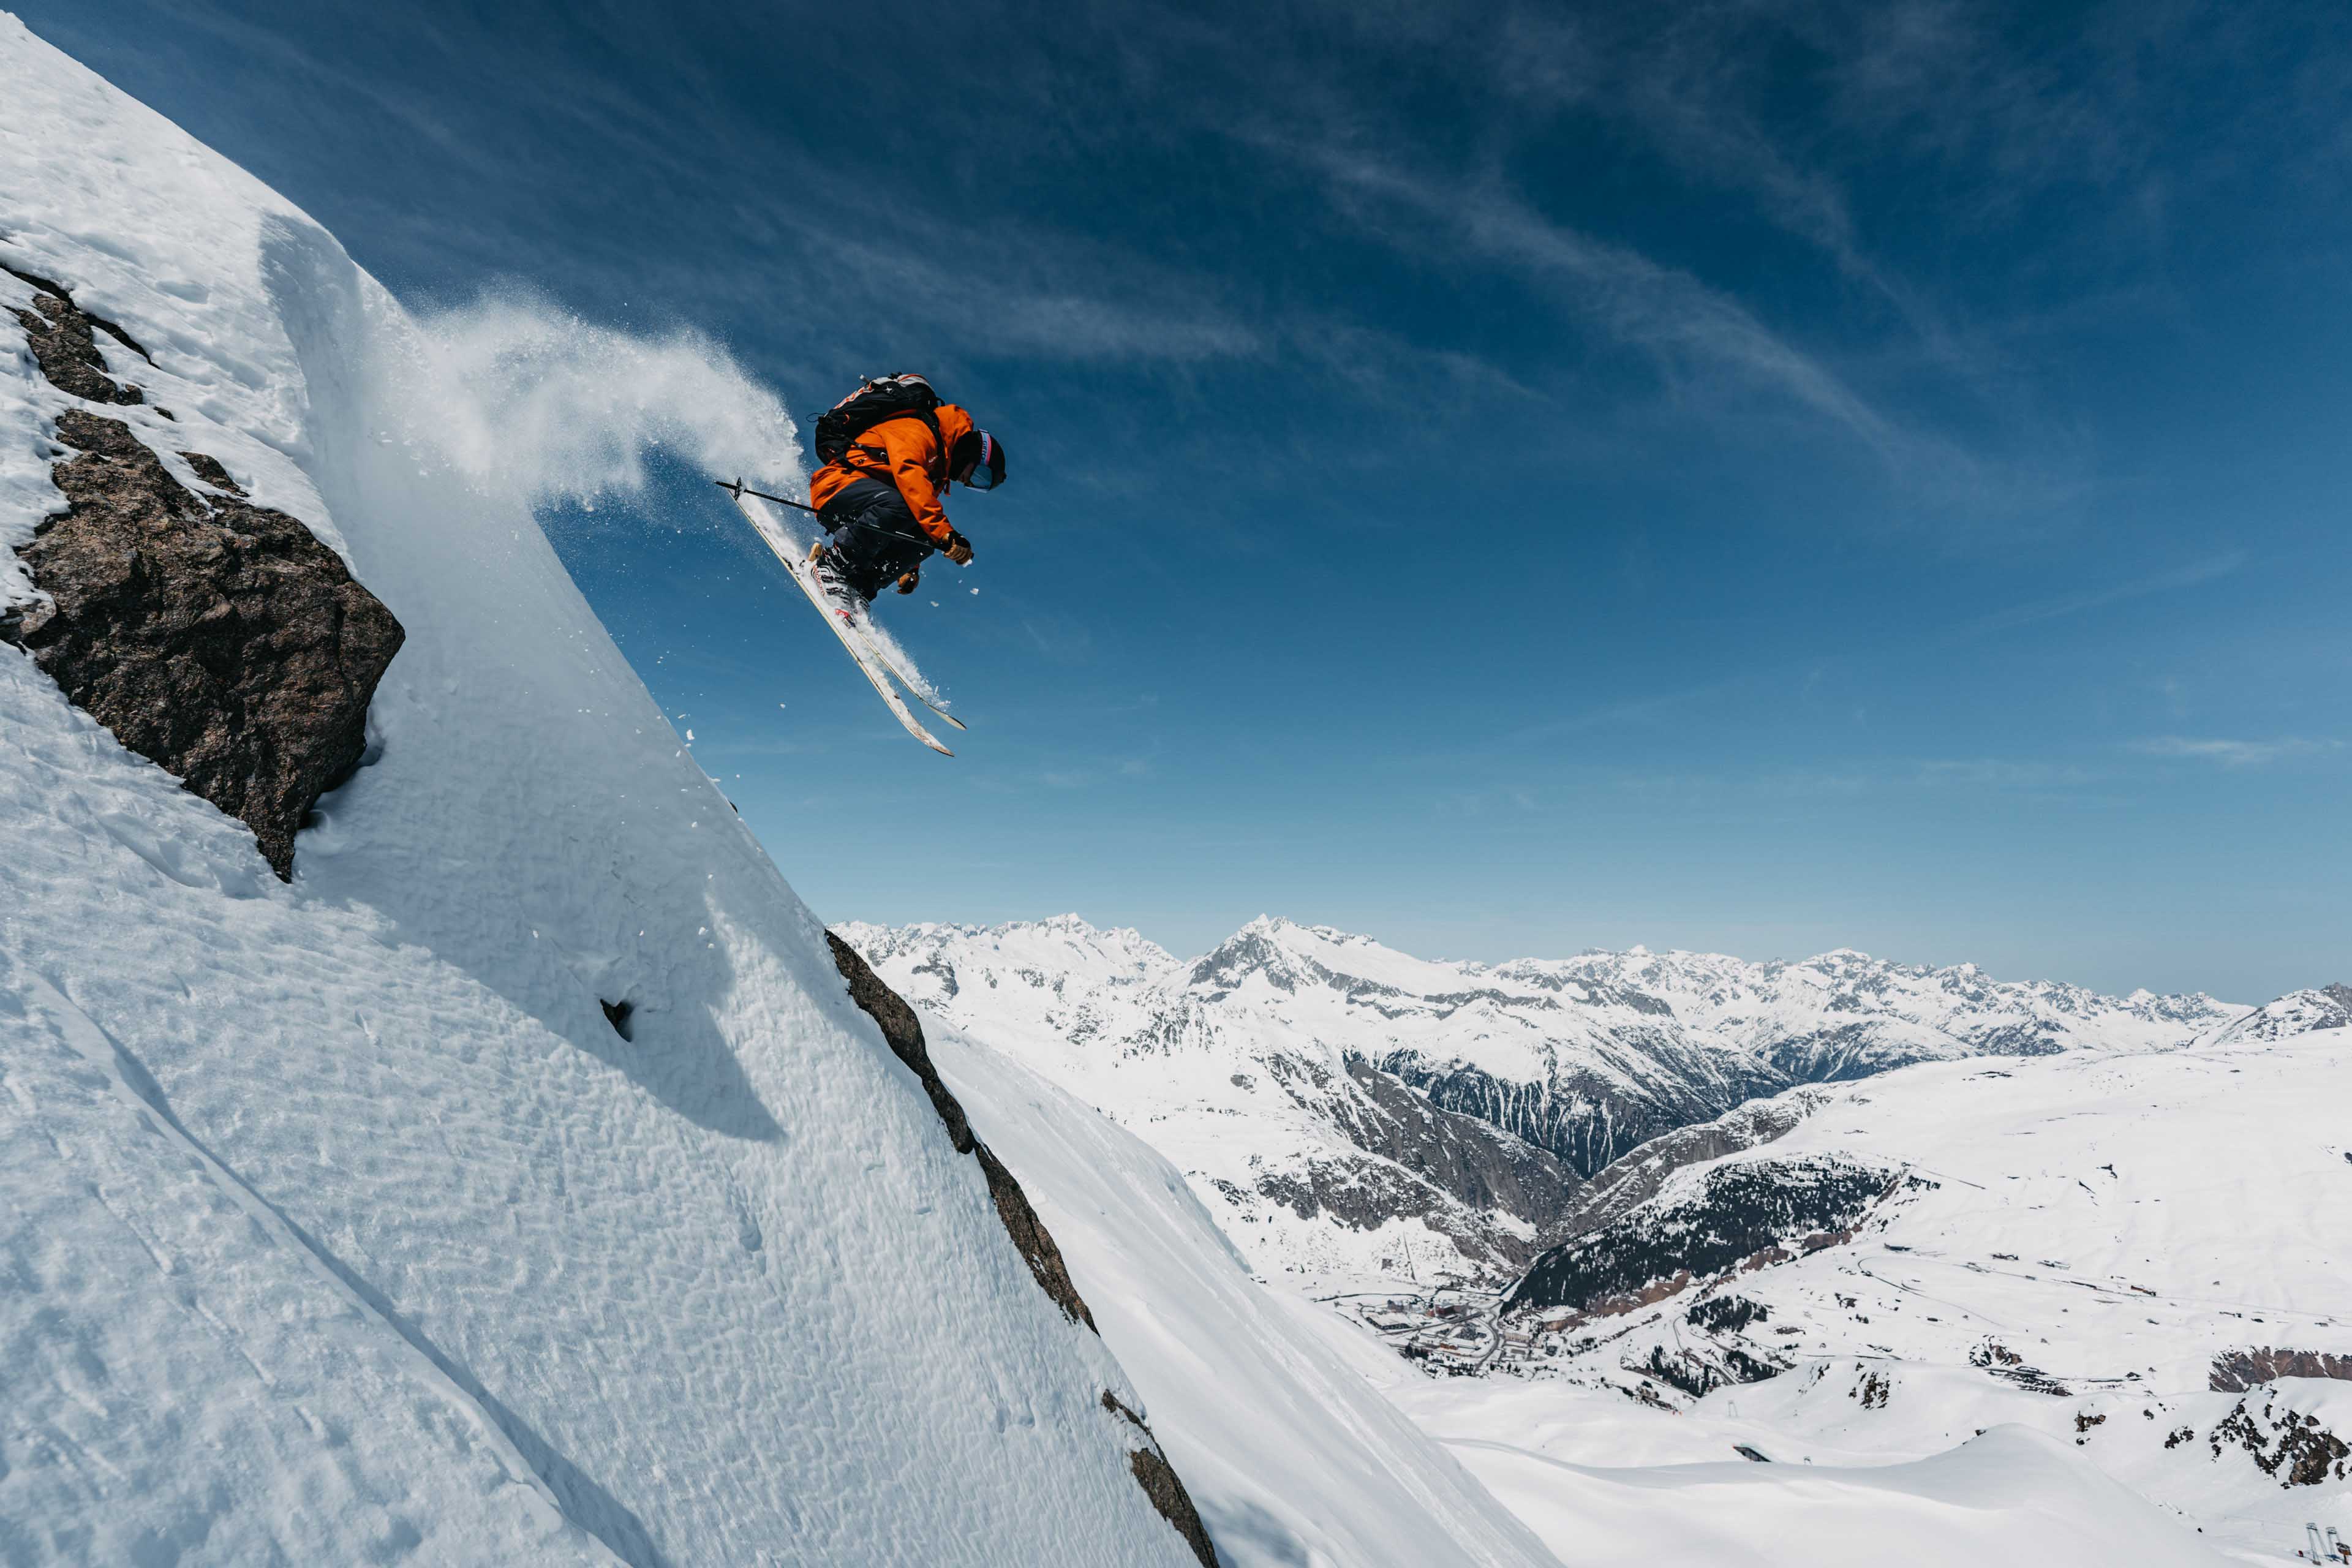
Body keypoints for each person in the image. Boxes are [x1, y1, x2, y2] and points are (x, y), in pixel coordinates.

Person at [807, 386, 1006, 604]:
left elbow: (920, 519)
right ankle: (833, 565)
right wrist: (946, 534)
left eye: (978, 484)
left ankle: (859, 587)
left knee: (926, 536)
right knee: (909, 509)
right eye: (978, 475)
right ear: (972, 454)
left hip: (872, 508)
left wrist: (910, 567)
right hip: (837, 486)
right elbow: (910, 477)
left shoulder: (936, 473)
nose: (968, 482)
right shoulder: (918, 430)